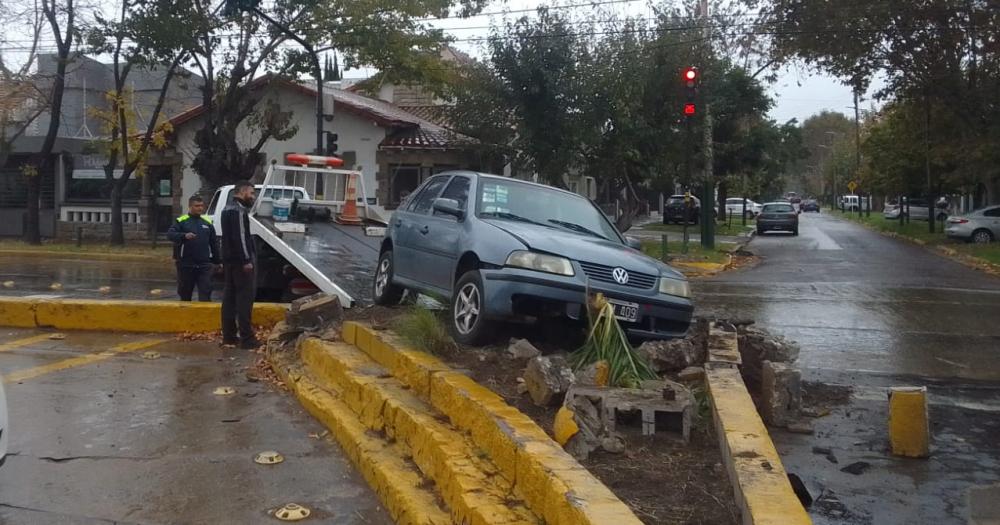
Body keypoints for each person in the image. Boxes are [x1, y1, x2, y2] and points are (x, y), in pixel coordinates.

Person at [221, 181, 259, 349]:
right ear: (242, 192)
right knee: (244, 299)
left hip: (229, 262)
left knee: (229, 299)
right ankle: (247, 338)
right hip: (240, 263)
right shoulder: (238, 211)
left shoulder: (226, 209)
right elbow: (241, 237)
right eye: (251, 193)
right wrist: (246, 260)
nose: (253, 197)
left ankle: (229, 336)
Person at [166, 195, 220, 302]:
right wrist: (184, 236)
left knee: (206, 293)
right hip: (186, 265)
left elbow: (214, 243)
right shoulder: (181, 221)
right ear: (190, 207)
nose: (200, 208)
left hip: (204, 265)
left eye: (201, 206)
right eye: (197, 206)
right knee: (185, 294)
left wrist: (218, 262)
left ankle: (204, 317)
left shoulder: (207, 222)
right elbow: (170, 234)